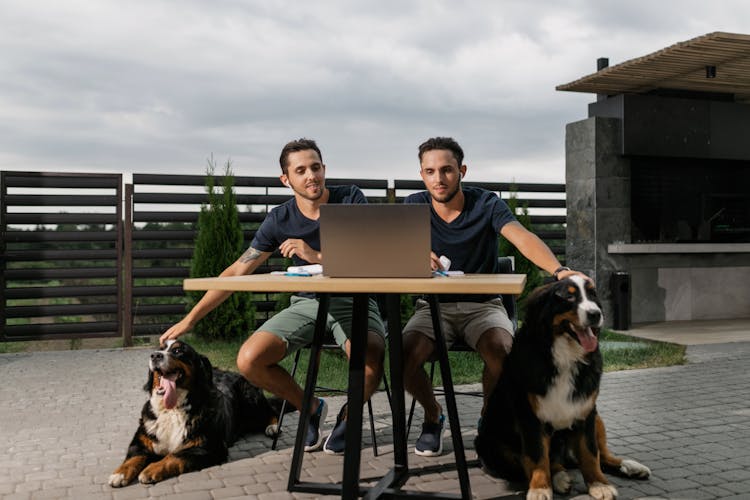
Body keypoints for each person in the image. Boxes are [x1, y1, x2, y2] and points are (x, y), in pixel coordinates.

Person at [160, 138, 386, 455]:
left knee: (370, 356)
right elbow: (237, 271)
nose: (311, 176)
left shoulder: (350, 199)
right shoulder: (280, 218)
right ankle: (310, 408)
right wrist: (190, 319)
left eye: (316, 167)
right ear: (286, 179)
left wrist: (316, 255)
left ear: (324, 169)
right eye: (301, 170)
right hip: (307, 303)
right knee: (249, 360)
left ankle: (349, 416)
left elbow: (374, 256)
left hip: (353, 299)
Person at [402, 136, 589, 457]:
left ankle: (490, 416)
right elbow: (394, 252)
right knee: (402, 357)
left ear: (461, 170)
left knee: (502, 351)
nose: (438, 178)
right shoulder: (413, 205)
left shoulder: (486, 203)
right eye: (430, 171)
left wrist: (559, 271)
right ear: (422, 175)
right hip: (432, 305)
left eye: (446, 170)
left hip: (483, 305)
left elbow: (522, 238)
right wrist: (411, 256)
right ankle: (433, 416)